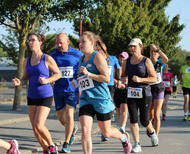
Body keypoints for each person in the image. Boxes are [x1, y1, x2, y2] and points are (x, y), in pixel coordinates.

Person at [77, 31, 132, 154]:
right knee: (85, 129)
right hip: (86, 98)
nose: (80, 44)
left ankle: (124, 138)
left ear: (91, 43)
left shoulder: (97, 56)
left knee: (106, 132)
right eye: (79, 42)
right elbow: (83, 79)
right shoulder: (81, 59)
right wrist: (77, 82)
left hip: (100, 98)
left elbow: (106, 78)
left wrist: (88, 74)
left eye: (83, 42)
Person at [12, 33, 61, 154]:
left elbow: (58, 74)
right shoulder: (27, 61)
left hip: (45, 96)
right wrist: (19, 82)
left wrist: (47, 80)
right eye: (29, 40)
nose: (30, 42)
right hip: (32, 96)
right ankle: (46, 150)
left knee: (39, 125)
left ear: (40, 43)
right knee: (34, 128)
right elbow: (25, 78)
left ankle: (52, 146)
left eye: (33, 40)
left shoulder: (47, 58)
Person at [121, 38, 158, 153]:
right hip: (131, 93)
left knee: (144, 120)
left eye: (134, 46)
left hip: (145, 93)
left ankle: (152, 133)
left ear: (141, 47)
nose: (132, 48)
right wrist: (123, 80)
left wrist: (140, 79)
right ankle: (137, 143)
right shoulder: (126, 62)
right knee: (133, 119)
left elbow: (154, 78)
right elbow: (123, 76)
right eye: (131, 46)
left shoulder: (146, 61)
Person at [49, 33, 83, 153]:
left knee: (69, 115)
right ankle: (72, 128)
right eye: (57, 42)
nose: (59, 45)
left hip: (72, 89)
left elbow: (84, 67)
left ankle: (66, 142)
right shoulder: (52, 55)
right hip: (58, 89)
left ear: (67, 41)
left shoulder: (78, 54)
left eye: (61, 42)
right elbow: (47, 69)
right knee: (60, 117)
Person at [93, 38, 121, 141]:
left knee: (108, 103)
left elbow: (118, 68)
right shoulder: (96, 58)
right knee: (103, 106)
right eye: (98, 50)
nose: (100, 52)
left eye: (102, 50)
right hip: (100, 85)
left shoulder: (112, 58)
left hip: (110, 85)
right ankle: (105, 130)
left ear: (105, 50)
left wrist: (118, 79)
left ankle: (107, 126)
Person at [149, 43, 168, 136]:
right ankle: (150, 129)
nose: (153, 53)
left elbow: (166, 59)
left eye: (154, 52)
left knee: (156, 114)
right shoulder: (146, 62)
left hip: (159, 89)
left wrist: (157, 49)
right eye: (151, 51)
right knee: (150, 115)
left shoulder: (159, 62)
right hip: (149, 89)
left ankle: (155, 136)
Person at [114, 51, 129, 134]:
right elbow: (111, 77)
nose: (122, 59)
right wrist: (118, 82)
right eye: (120, 57)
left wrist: (126, 80)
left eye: (123, 57)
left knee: (124, 108)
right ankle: (121, 125)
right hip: (117, 89)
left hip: (126, 89)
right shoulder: (116, 67)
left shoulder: (129, 68)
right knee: (118, 109)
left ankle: (122, 127)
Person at [179, 56, 190, 121]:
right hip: (185, 85)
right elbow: (181, 74)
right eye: (187, 60)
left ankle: (189, 114)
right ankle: (185, 114)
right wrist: (181, 80)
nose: (188, 61)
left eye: (189, 60)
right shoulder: (183, 67)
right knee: (186, 98)